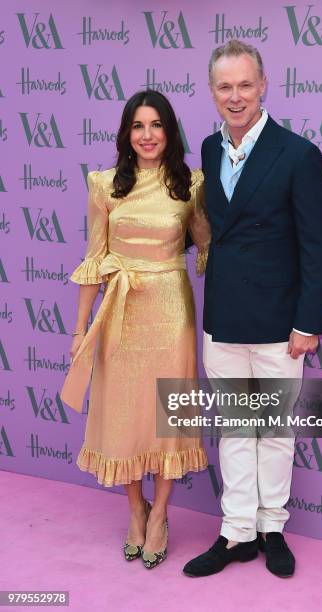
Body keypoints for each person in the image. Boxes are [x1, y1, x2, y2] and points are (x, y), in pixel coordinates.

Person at [183, 40, 322, 578]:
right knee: (234, 428)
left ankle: (273, 528)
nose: (236, 96)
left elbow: (316, 245)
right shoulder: (206, 148)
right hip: (223, 318)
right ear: (212, 92)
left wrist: (307, 323)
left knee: (273, 430)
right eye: (225, 87)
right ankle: (237, 531)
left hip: (278, 324)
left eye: (245, 84)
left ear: (263, 84)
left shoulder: (297, 153)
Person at [60, 90, 211, 570]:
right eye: (138, 125)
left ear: (170, 131)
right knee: (124, 412)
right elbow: (94, 259)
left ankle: (161, 513)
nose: (147, 135)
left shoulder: (193, 183)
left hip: (172, 310)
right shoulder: (104, 184)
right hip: (121, 312)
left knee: (170, 413)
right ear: (127, 132)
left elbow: (208, 244)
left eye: (156, 125)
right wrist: (79, 330)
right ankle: (134, 510)